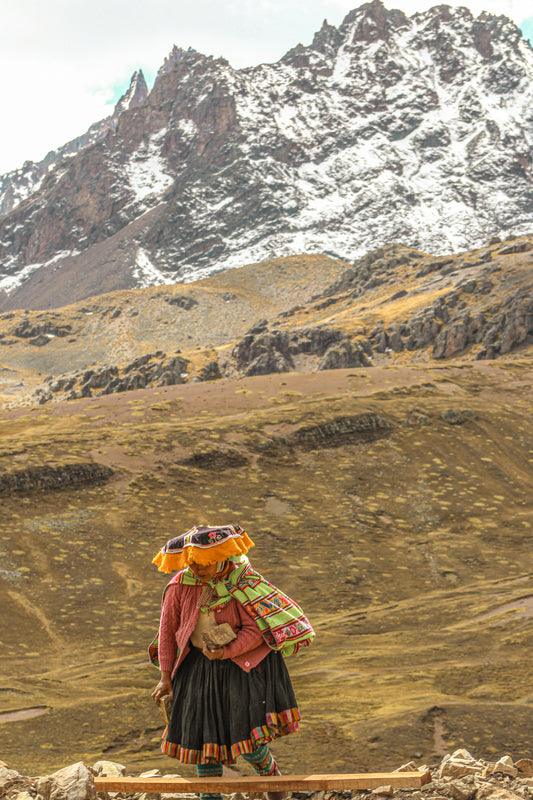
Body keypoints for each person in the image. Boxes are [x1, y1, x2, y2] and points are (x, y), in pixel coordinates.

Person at [150, 523, 314, 800]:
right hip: (198, 669)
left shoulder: (243, 582)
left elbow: (256, 630)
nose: (197, 569)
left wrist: (226, 651)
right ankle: (210, 797)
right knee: (204, 739)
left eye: (203, 564)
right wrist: (166, 677)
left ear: (220, 558)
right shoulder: (180, 586)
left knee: (246, 737)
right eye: (192, 564)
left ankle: (270, 775)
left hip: (244, 668)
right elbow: (167, 633)